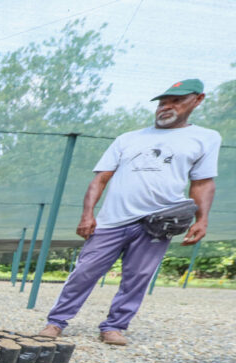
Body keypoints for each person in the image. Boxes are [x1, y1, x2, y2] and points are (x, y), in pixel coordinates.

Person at [38, 78, 220, 346]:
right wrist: (88, 215)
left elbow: (203, 182)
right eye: (163, 102)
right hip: (112, 220)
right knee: (84, 271)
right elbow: (99, 179)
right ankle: (56, 321)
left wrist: (201, 219)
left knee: (138, 277)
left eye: (177, 101)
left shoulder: (205, 138)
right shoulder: (129, 138)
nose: (167, 107)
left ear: (198, 100)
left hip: (158, 222)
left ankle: (114, 326)